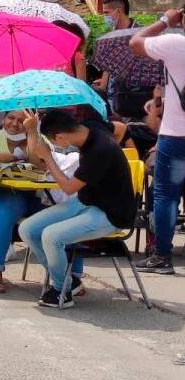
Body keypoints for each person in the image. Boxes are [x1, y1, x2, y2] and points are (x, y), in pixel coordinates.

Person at [19, 108, 136, 308]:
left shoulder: (100, 151)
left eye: (54, 142)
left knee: (51, 236)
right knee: (27, 229)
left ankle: (60, 290)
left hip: (111, 214)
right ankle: (68, 281)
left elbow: (67, 186)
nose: (57, 147)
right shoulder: (91, 126)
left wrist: (47, 157)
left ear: (61, 136)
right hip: (86, 201)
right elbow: (121, 128)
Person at [0, 110, 84, 295]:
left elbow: (41, 163)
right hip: (5, 193)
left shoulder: (38, 137)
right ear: (3, 118)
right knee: (5, 212)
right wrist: (2, 157)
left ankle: (73, 275)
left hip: (36, 195)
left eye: (21, 120)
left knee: (65, 216)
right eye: (11, 118)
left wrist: (32, 132)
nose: (15, 123)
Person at [132, 7, 185, 274]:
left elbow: (136, 42)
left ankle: (162, 257)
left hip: (177, 136)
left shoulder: (176, 44)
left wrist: (166, 21)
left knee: (166, 195)